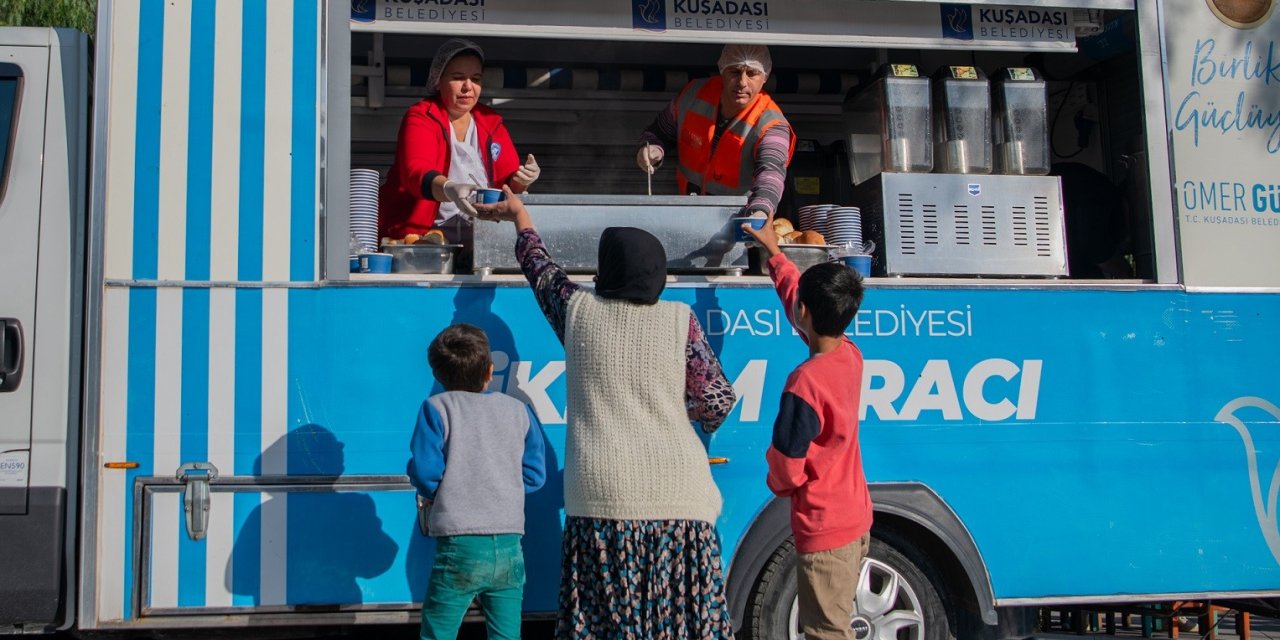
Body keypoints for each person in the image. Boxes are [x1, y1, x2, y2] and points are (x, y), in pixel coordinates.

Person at [474, 187, 739, 639]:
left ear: (607, 270)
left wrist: (520, 213)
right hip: (680, 497)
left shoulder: (577, 311)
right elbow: (716, 400)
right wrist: (683, 416)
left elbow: (540, 268)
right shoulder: (679, 320)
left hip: (603, 499)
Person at [743, 214, 871, 640]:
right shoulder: (849, 355)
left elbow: (786, 464)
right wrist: (776, 255)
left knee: (825, 633)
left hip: (823, 530)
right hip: (855, 521)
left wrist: (783, 483)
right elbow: (803, 308)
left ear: (804, 313)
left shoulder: (805, 382)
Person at [406, 323, 548, 640]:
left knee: (438, 632)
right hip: (510, 544)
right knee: (506, 635)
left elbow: (426, 474)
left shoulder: (436, 408)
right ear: (490, 371)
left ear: (438, 376)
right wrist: (499, 485)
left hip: (459, 545)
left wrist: (450, 490)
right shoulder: (518, 411)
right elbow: (535, 476)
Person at [379, 38, 541, 244]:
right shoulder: (420, 117)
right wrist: (450, 189)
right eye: (458, 78)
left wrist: (523, 180)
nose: (468, 87)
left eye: (476, 78)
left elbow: (507, 187)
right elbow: (415, 173)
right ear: (438, 80)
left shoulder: (491, 121)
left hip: (482, 240)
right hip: (421, 239)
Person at [638, 44, 797, 217]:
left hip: (737, 221)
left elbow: (771, 173)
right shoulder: (693, 94)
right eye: (735, 72)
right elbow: (660, 131)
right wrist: (651, 148)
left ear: (764, 76)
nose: (742, 82)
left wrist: (761, 211)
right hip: (687, 212)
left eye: (752, 73)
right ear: (722, 71)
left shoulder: (772, 125)